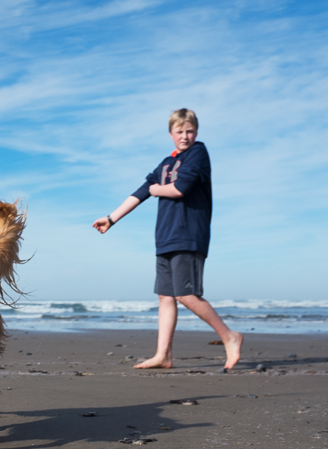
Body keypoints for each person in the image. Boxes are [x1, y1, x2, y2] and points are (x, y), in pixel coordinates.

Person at [93, 108, 243, 370]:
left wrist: (155, 189)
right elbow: (141, 191)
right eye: (179, 132)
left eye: (190, 131)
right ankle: (164, 355)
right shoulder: (166, 162)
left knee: (187, 294)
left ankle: (229, 336)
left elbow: (180, 188)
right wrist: (111, 218)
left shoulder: (198, 153)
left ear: (196, 131)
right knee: (165, 296)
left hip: (189, 234)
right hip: (165, 235)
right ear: (171, 133)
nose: (185, 136)